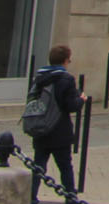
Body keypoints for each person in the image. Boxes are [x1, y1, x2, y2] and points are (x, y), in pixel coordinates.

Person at [26, 45, 80, 202]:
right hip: (59, 130)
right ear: (64, 61)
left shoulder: (39, 78)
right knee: (65, 166)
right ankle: (70, 197)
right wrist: (80, 100)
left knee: (38, 166)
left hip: (40, 128)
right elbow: (70, 106)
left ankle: (31, 197)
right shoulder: (66, 79)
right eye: (69, 60)